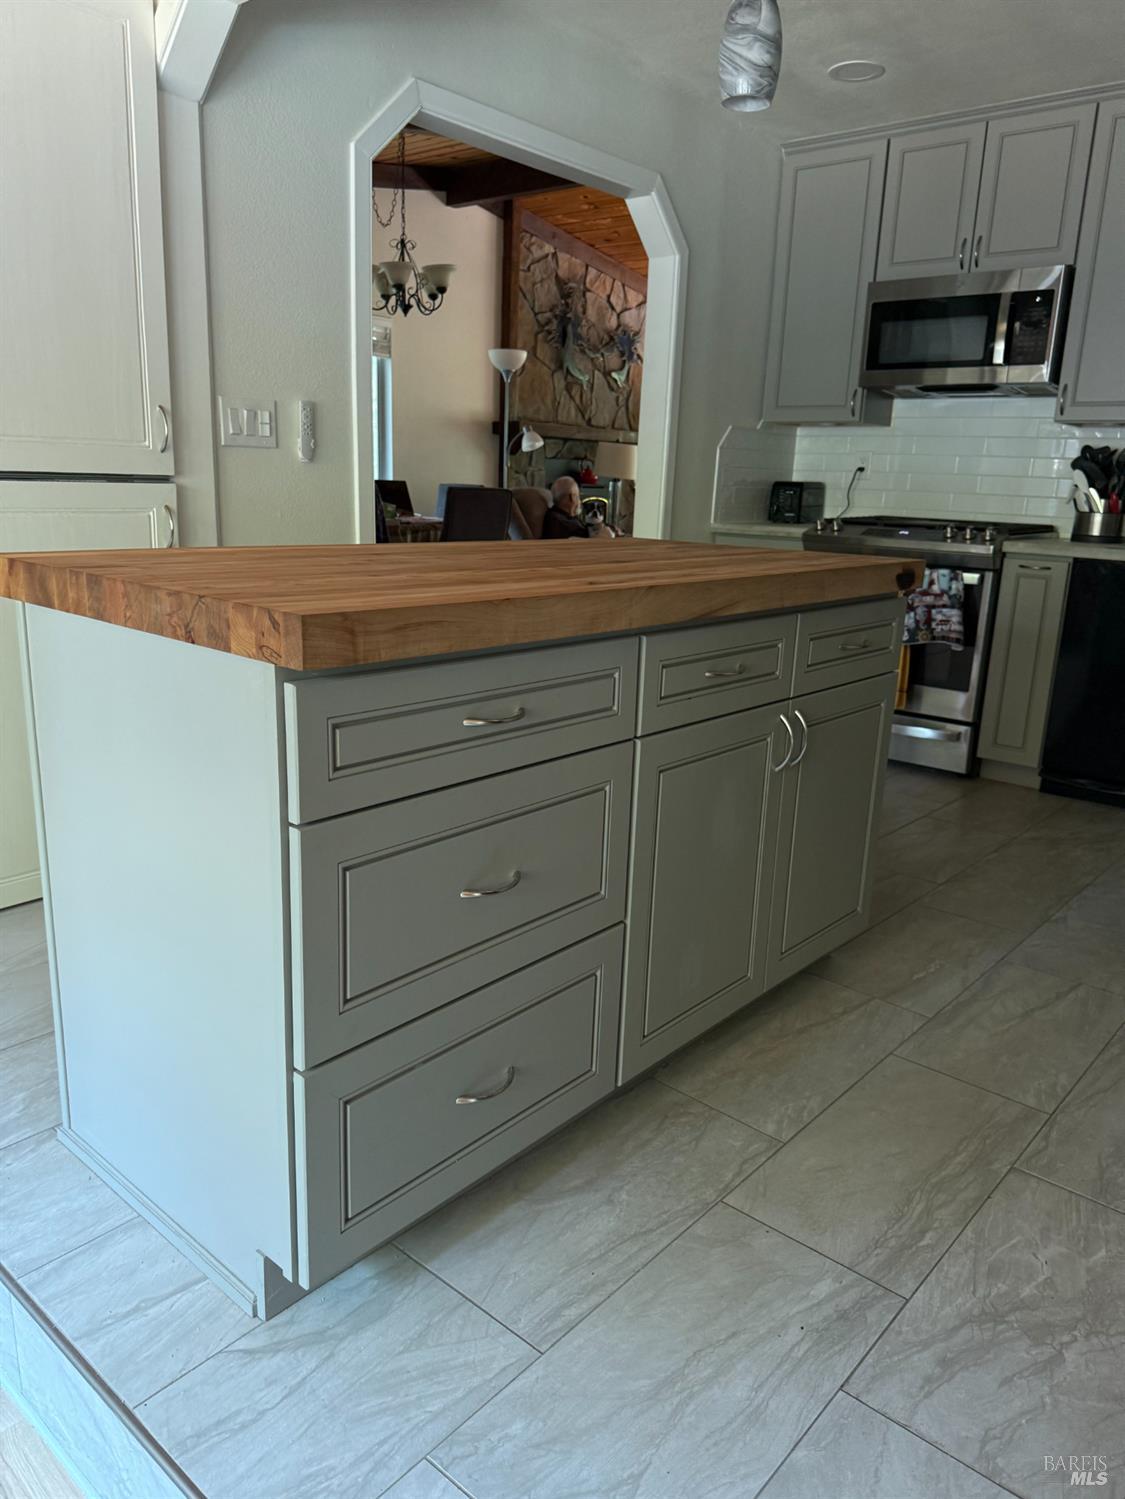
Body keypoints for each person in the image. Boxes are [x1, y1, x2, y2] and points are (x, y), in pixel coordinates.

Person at [543, 476, 616, 540]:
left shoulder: (563, 516)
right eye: (578, 496)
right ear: (572, 497)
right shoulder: (559, 521)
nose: (579, 501)